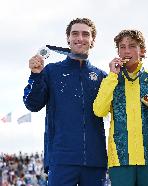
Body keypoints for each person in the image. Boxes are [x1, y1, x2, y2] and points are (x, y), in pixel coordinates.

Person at [23, 18, 107, 186]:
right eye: (75, 34)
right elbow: (32, 104)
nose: (80, 38)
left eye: (85, 34)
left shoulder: (102, 77)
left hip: (95, 161)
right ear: (68, 39)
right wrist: (36, 75)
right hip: (61, 159)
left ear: (93, 41)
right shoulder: (51, 71)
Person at [93, 29, 148, 186]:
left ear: (142, 50)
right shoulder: (110, 80)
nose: (127, 51)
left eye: (132, 46)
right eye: (122, 47)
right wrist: (112, 76)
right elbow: (99, 110)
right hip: (120, 160)